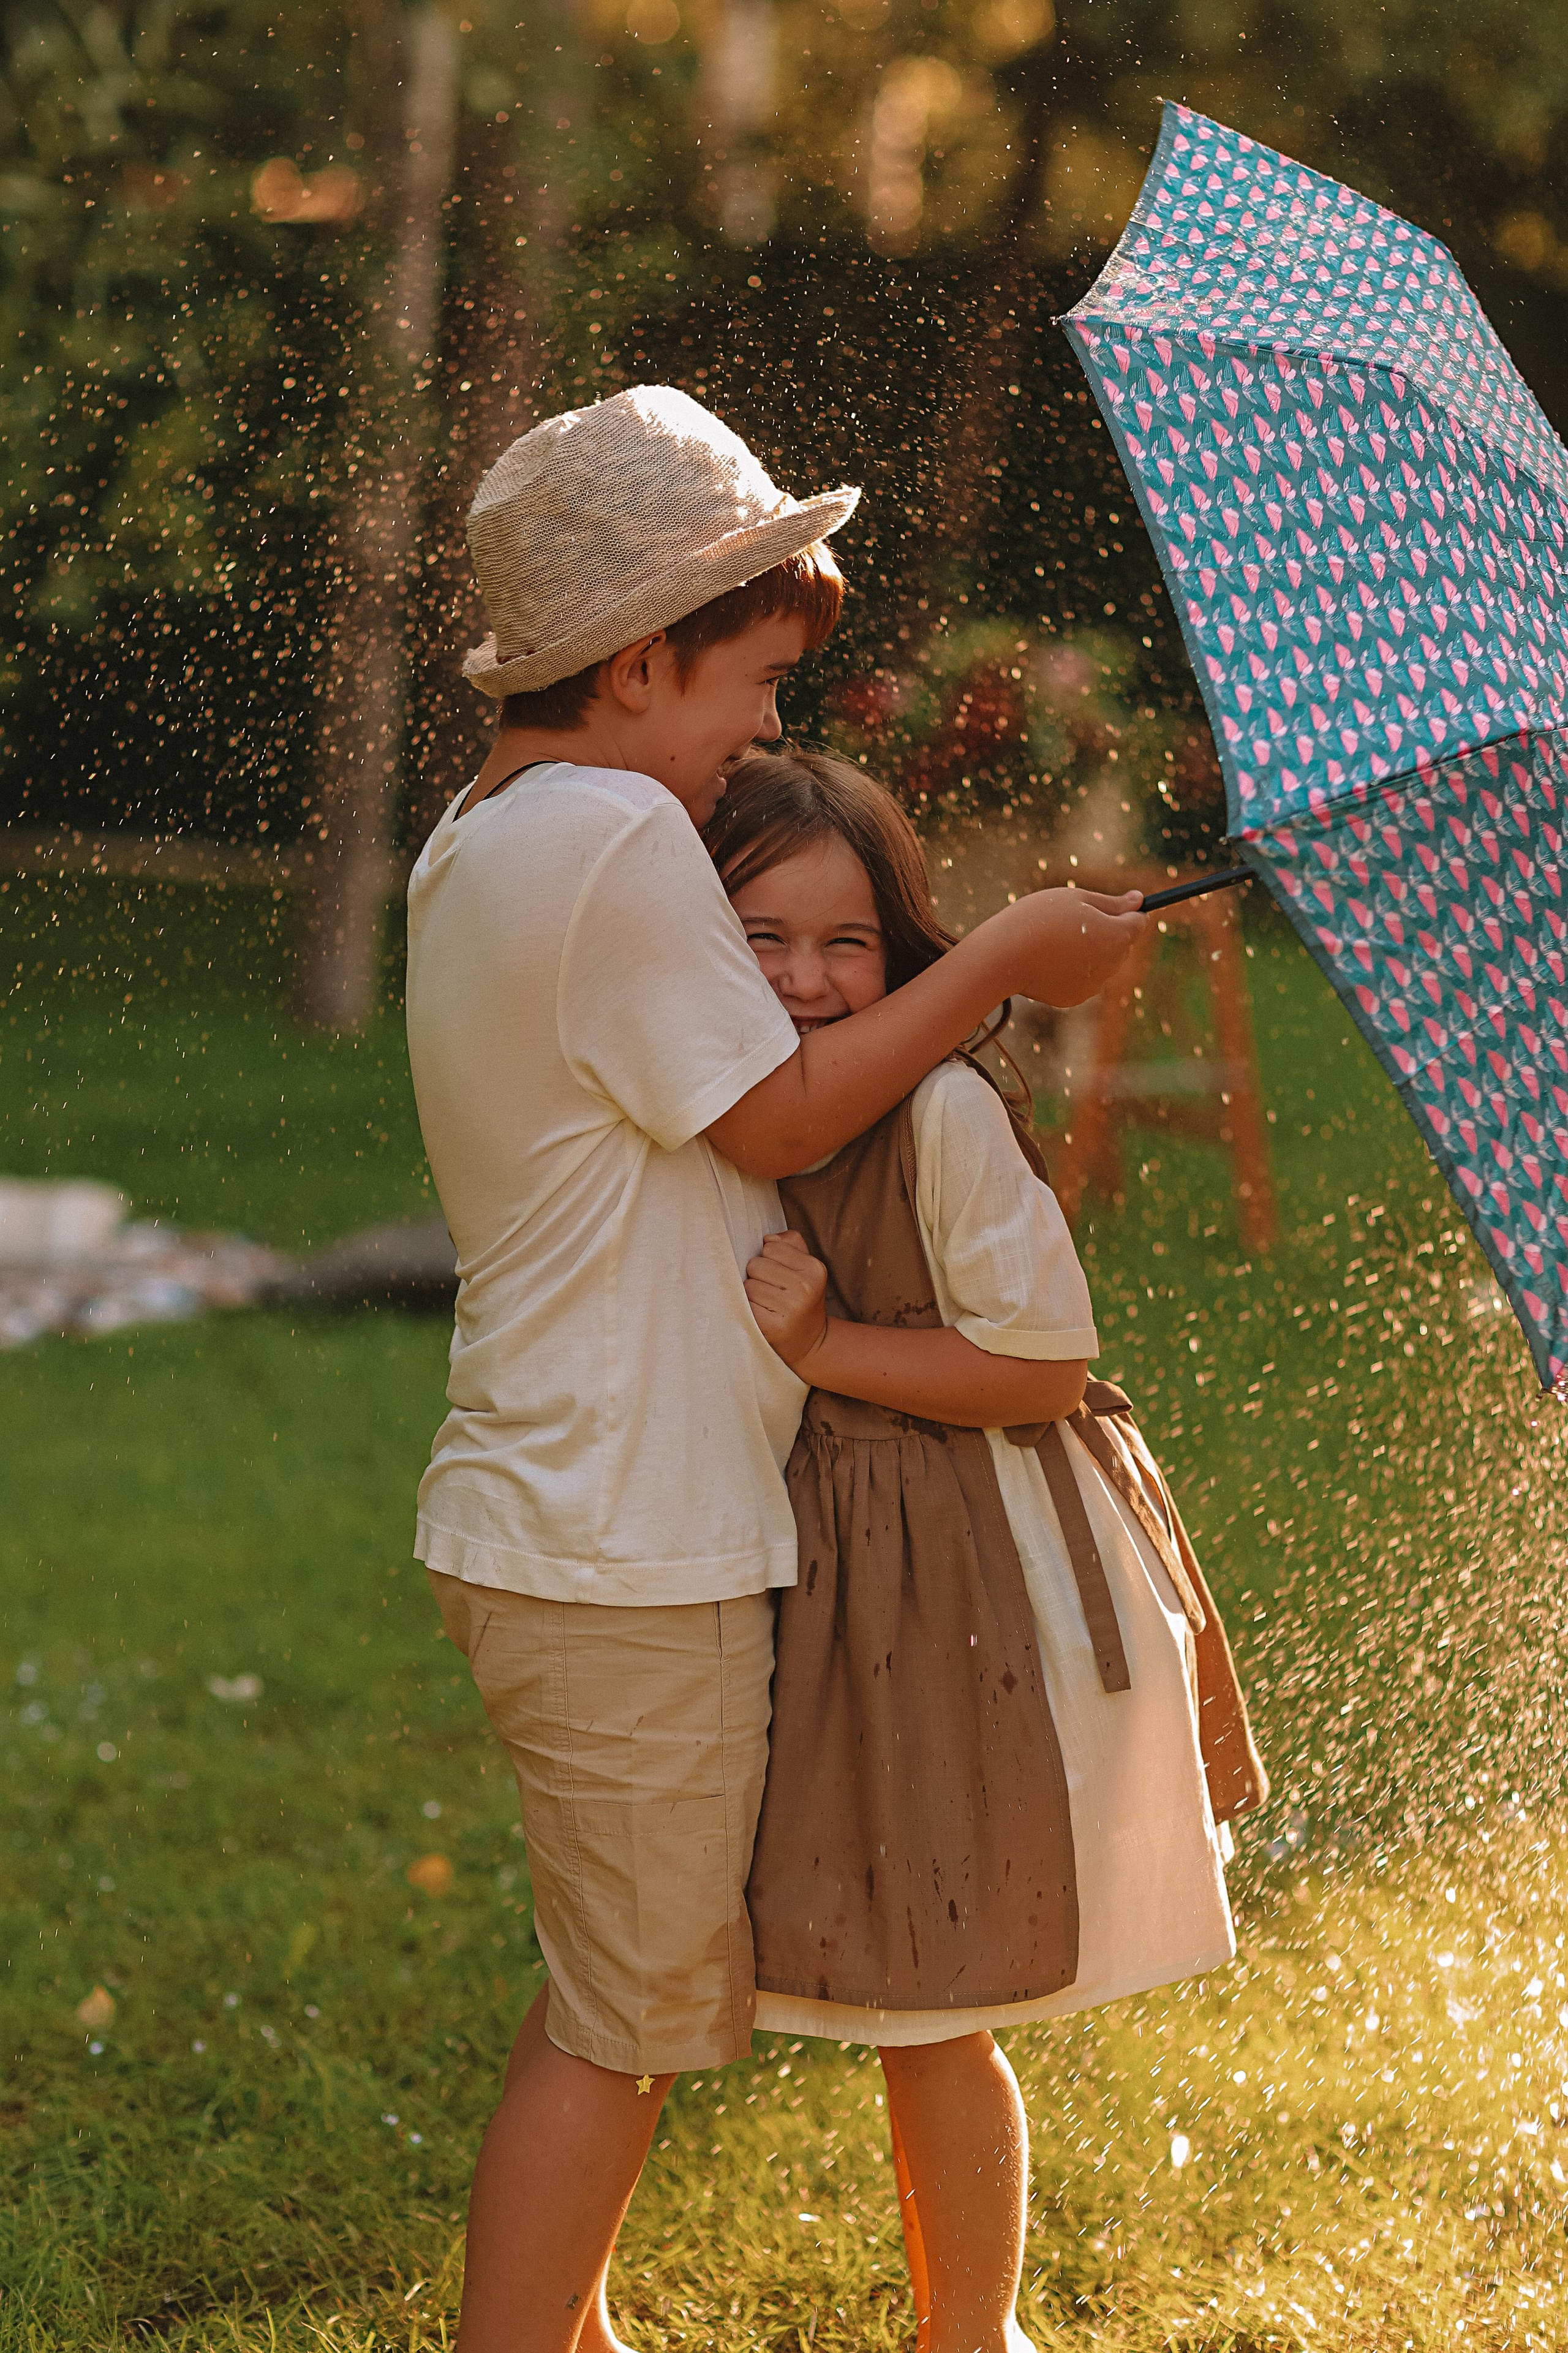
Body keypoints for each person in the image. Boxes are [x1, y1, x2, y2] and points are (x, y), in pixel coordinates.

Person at [403, 385, 1148, 2353]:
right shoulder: (612, 842)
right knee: (624, 2025)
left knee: (620, 1982)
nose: (764, 733)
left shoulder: (486, 832)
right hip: (617, 1538)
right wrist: (990, 966)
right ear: (640, 661)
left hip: (559, 1512)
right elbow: (787, 1117)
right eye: (747, 680)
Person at [708, 747, 1267, 2353]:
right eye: (760, 937)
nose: (805, 980)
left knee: (935, 1992)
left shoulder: (941, 1112)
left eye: (845, 943)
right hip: (842, 1571)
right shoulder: (730, 1106)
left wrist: (834, 1353)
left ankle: (975, 2328)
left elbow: (1040, 1365)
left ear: (906, 953)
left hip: (965, 1570)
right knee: (870, 1967)